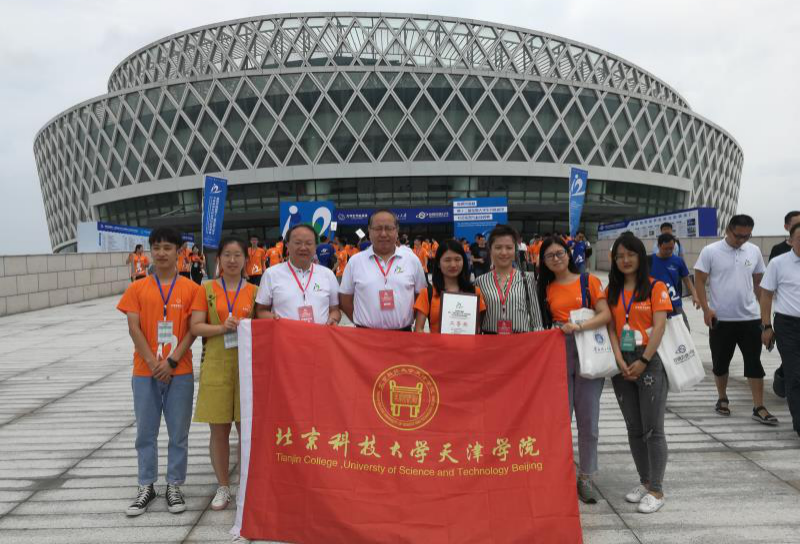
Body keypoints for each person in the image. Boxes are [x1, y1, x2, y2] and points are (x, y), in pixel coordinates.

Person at [117, 227, 200, 517]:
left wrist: (172, 361)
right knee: (145, 432)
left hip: (180, 371)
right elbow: (133, 328)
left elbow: (193, 330)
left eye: (168, 247)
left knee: (178, 433)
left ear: (179, 252)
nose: (161, 253)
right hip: (145, 372)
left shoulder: (192, 289)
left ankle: (174, 484)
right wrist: (154, 363)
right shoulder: (137, 288)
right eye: (157, 247)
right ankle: (146, 485)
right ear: (150, 250)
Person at [537, 236, 611, 504]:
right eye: (549, 256)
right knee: (560, 419)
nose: (556, 259)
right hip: (558, 351)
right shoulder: (544, 288)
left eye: (560, 253)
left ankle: (586, 476)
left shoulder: (588, 281)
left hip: (588, 348)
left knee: (588, 419)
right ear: (543, 261)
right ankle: (559, 474)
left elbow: (605, 314)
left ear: (569, 254)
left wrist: (579, 327)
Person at [189, 236, 256, 511]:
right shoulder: (206, 289)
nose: (232, 260)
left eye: (237, 255)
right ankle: (223, 486)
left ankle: (247, 485)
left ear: (245, 259)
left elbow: (264, 325)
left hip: (247, 366)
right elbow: (195, 326)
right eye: (227, 254)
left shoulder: (254, 291)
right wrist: (222, 328)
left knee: (246, 430)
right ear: (218, 259)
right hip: (217, 364)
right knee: (219, 430)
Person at [606, 233, 672, 514]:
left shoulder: (656, 287)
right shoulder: (612, 290)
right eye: (620, 256)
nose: (625, 260)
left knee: (653, 428)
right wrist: (619, 358)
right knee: (634, 428)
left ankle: (656, 489)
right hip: (622, 362)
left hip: (649, 359)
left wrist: (644, 359)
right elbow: (610, 327)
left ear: (640, 257)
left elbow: (660, 326)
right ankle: (645, 481)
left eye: (630, 254)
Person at [694, 214, 776, 424]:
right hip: (721, 319)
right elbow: (699, 280)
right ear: (728, 230)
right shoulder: (710, 251)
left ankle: (759, 406)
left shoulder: (754, 251)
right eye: (738, 236)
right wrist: (706, 309)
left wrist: (765, 319)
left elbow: (759, 285)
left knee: (754, 363)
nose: (741, 240)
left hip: (750, 318)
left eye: (746, 236)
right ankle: (722, 398)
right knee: (720, 362)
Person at [339, 210, 427, 330]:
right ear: (369, 231)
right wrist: (361, 321)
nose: (383, 234)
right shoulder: (355, 261)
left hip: (403, 334)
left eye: (389, 228)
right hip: (365, 334)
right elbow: (345, 299)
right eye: (378, 228)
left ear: (397, 231)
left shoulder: (411, 260)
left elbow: (421, 297)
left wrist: (406, 319)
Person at [760, 222, 800, 438]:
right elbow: (766, 295)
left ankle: (780, 377)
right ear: (791, 241)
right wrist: (766, 326)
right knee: (796, 375)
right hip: (788, 325)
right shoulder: (778, 263)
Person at [256, 224, 341, 324]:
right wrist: (273, 319)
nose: (303, 248)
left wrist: (333, 319)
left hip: (320, 333)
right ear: (287, 245)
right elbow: (260, 311)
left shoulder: (328, 274)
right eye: (297, 243)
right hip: (285, 334)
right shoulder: (271, 274)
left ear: (315, 247)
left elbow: (335, 310)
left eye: (309, 243)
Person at [474, 224, 544, 334]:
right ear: (490, 250)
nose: (504, 252)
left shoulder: (527, 279)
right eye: (498, 247)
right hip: (490, 340)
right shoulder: (480, 281)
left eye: (509, 248)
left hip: (521, 340)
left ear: (515, 250)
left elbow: (536, 320)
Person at [414, 239, 487, 333]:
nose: (453, 265)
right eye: (447, 260)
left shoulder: (475, 292)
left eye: (457, 259)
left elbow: (478, 328)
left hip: (467, 343)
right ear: (438, 263)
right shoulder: (427, 293)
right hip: (436, 343)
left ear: (463, 261)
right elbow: (418, 329)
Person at [649, 233, 700, 330]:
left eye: (671, 248)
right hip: (654, 305)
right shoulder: (649, 261)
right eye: (665, 249)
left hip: (675, 304)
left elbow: (687, 280)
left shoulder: (678, 261)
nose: (669, 251)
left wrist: (695, 295)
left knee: (684, 332)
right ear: (659, 246)